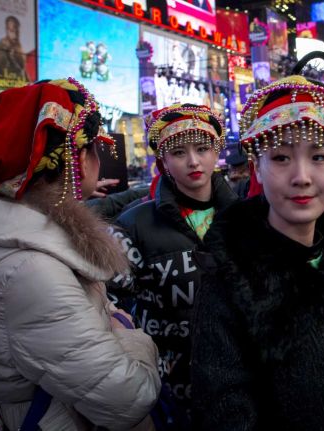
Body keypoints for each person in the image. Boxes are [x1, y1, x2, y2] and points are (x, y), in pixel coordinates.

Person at [0, 79, 161, 429]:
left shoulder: (28, 249)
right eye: (93, 148)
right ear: (74, 160)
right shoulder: (31, 271)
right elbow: (128, 398)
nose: (97, 159)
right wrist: (132, 334)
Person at [190, 75, 324, 430]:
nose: (302, 176)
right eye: (281, 158)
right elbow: (225, 412)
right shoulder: (228, 276)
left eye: (319, 156)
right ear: (257, 166)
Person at [107, 103, 237, 427]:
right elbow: (108, 304)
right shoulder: (133, 225)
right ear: (162, 161)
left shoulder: (247, 220)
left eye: (203, 149)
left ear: (216, 151)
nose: (194, 161)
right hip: (167, 391)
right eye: (179, 152)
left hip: (237, 385)